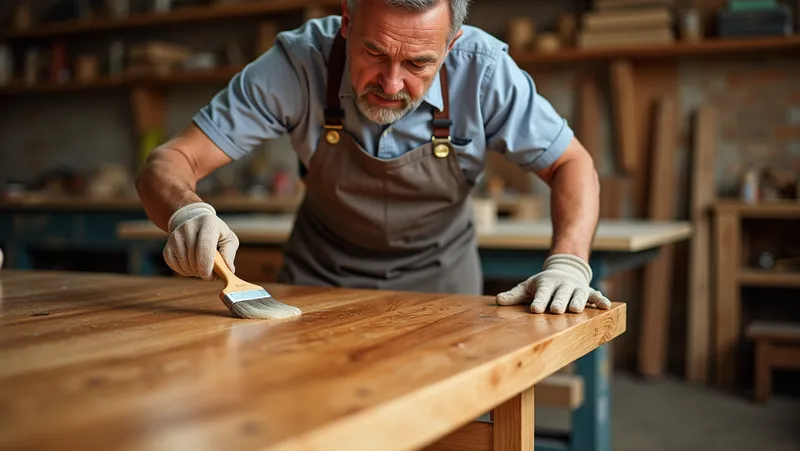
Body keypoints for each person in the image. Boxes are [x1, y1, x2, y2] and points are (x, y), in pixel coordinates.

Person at [135, 0, 611, 315]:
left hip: (444, 289)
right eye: (373, 52)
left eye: (419, 63)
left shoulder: (484, 70)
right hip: (316, 285)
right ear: (347, 20)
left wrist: (569, 261)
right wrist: (185, 209)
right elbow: (171, 160)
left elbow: (572, 164)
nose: (390, 83)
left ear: (452, 45)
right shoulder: (300, 63)